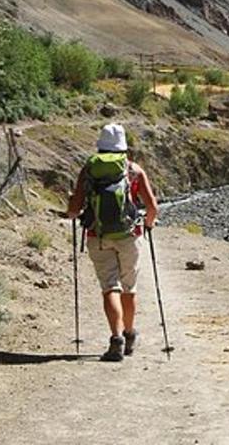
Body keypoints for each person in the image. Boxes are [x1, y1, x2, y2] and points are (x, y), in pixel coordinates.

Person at [66, 123, 159, 362]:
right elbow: (152, 207)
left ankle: (115, 339)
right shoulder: (134, 170)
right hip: (130, 236)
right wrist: (148, 224)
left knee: (110, 287)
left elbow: (73, 210)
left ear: (100, 146)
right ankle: (129, 334)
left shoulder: (89, 170)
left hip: (98, 237)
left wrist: (75, 207)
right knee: (129, 288)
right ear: (123, 148)